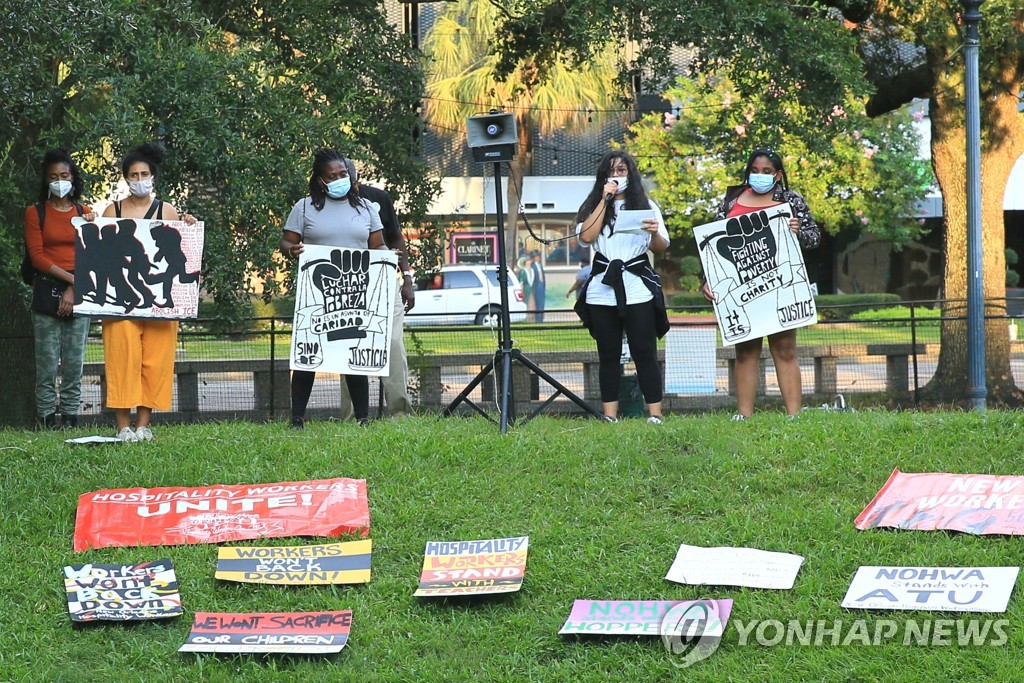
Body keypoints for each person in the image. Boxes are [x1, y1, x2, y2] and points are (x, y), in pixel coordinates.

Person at [701, 147, 820, 420]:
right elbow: (712, 248)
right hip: (741, 291)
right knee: (745, 350)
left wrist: (797, 231)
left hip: (781, 286)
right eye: (755, 170)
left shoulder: (791, 200)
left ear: (777, 175)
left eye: (766, 171)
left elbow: (814, 239)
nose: (759, 175)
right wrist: (708, 280)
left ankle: (794, 416)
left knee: (785, 349)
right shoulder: (731, 201)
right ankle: (744, 416)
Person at [280, 148, 388, 429]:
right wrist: (294, 250)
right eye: (333, 176)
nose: (340, 179)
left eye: (343, 174)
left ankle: (363, 418)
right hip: (316, 292)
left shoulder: (365, 207)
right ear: (320, 180)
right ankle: (297, 419)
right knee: (309, 353)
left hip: (356, 289)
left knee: (353, 353)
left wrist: (388, 261)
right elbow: (286, 242)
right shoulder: (303, 207)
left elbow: (377, 245)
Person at [101, 142, 196, 442]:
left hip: (159, 300)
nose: (139, 179)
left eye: (144, 173)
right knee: (122, 357)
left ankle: (143, 425)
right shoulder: (112, 210)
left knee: (155, 359)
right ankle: (122, 427)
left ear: (153, 176)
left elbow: (180, 247)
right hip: (121, 299)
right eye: (133, 174)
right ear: (125, 178)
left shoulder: (167, 210)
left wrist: (189, 226)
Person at [573, 151, 670, 424]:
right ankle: (610, 414)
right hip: (602, 289)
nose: (616, 176)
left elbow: (661, 246)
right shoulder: (593, 205)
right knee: (608, 353)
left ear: (631, 174)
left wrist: (652, 232)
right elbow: (586, 237)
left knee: (644, 351)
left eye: (622, 171)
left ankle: (655, 414)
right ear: (603, 176)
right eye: (611, 171)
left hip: (638, 286)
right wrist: (604, 200)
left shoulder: (646, 205)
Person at [23, 148, 96, 429]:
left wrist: (75, 289)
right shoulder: (35, 213)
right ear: (46, 180)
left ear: (72, 178)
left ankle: (70, 420)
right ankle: (45, 423)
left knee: (74, 365)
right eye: (53, 176)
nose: (59, 181)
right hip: (46, 292)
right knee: (47, 365)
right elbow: (38, 257)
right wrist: (71, 281)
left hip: (80, 295)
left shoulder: (85, 213)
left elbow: (93, 254)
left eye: (64, 175)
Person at [337, 166, 415, 420]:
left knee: (393, 344)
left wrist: (407, 279)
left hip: (383, 281)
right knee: (349, 347)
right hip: (346, 284)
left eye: (345, 175)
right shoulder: (324, 206)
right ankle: (351, 416)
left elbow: (395, 238)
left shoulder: (378, 199)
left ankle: (399, 413)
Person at [530, 249, 546, 322]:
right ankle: (538, 320)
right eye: (536, 256)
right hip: (536, 286)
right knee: (538, 304)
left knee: (542, 303)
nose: (538, 258)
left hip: (541, 285)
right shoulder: (532, 266)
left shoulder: (540, 265)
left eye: (538, 256)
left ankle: (541, 319)